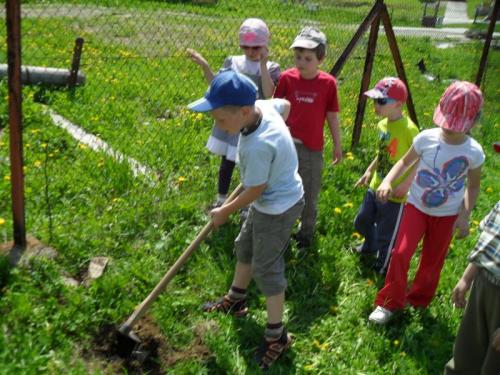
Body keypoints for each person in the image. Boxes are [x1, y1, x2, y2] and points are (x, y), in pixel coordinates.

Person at [187, 70, 304, 370]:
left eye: (221, 121)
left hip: (279, 206)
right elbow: (285, 107)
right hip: (266, 197)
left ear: (243, 111)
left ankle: (277, 336)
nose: (218, 126)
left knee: (266, 267)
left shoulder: (256, 146)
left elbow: (256, 189)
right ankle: (236, 300)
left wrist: (225, 211)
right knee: (245, 247)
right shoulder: (262, 106)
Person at [368, 81, 485, 325]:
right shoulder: (426, 138)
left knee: (432, 261)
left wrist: (464, 215)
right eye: (446, 122)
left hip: (447, 215)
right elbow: (403, 162)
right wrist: (388, 180)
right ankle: (389, 302)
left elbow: (473, 186)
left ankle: (418, 299)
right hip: (416, 207)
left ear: (473, 123)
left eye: (456, 125)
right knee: (400, 253)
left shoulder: (473, 152)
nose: (448, 129)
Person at [187, 18, 280, 209]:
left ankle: (246, 203)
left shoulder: (271, 67)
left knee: (249, 164)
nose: (250, 52)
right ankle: (222, 197)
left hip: (252, 122)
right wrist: (205, 66)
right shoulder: (234, 62)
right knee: (227, 161)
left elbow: (269, 93)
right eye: (245, 47)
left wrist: (262, 65)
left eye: (256, 48)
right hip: (232, 120)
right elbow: (217, 86)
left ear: (265, 45)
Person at [274, 26, 342, 248]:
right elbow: (275, 110)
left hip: (312, 149)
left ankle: (305, 234)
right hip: (286, 146)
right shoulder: (286, 78)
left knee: (309, 191)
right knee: (281, 186)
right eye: (298, 57)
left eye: (308, 58)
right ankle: (281, 228)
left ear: (320, 59)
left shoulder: (328, 84)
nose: (301, 62)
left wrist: (337, 146)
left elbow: (332, 117)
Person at [353, 77, 419, 274]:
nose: (376, 105)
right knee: (362, 220)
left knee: (386, 232)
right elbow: (382, 152)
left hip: (396, 193)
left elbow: (418, 159)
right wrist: (368, 171)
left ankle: (383, 264)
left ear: (398, 104)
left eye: (381, 101)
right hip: (376, 184)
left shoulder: (410, 130)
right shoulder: (382, 125)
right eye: (374, 100)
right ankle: (370, 245)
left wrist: (406, 185)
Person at [444, 199, 500, 375]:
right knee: (466, 351)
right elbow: (487, 243)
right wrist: (466, 279)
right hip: (483, 283)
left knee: (493, 364)